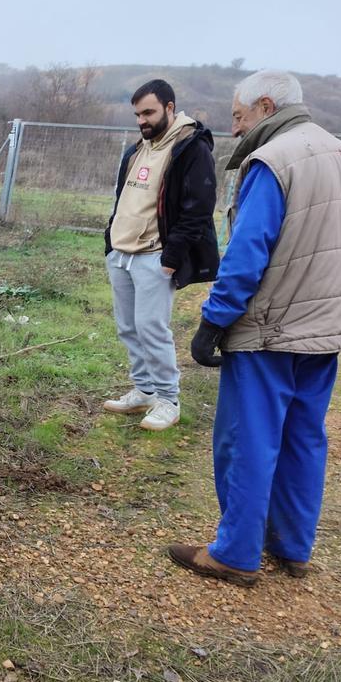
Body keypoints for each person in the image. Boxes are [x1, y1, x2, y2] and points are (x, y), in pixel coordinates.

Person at [169, 70, 341, 586]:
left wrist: (214, 320)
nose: (236, 130)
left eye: (239, 118)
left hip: (272, 325)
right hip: (327, 323)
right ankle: (292, 546)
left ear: (265, 106)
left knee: (248, 438)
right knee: (304, 435)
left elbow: (248, 253)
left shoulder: (272, 159)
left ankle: (236, 553)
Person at [102, 79, 219, 431]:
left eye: (149, 112)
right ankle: (145, 390)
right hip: (121, 253)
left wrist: (172, 257)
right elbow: (125, 199)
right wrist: (111, 242)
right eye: (138, 114)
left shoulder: (190, 148)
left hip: (155, 256)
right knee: (128, 328)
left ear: (170, 108)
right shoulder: (140, 148)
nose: (142, 120)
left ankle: (169, 400)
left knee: (152, 328)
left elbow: (199, 208)